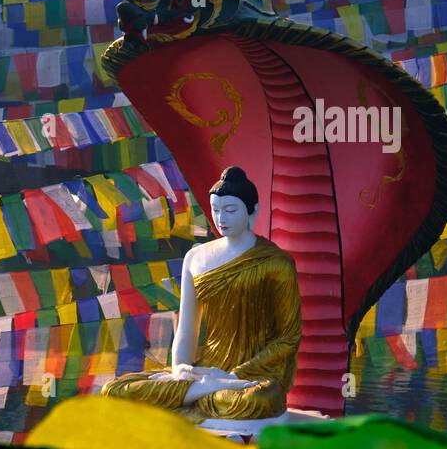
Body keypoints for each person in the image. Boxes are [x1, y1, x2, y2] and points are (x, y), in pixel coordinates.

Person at [102, 166, 302, 421]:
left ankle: (205, 391)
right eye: (216, 210)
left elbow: (288, 337)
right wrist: (180, 370)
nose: (221, 219)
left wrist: (233, 376)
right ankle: (202, 390)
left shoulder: (277, 263)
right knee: (115, 390)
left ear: (253, 210)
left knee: (257, 399)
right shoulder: (195, 257)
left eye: (230, 210)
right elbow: (187, 329)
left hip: (250, 377)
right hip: (206, 369)